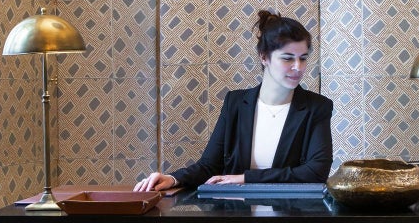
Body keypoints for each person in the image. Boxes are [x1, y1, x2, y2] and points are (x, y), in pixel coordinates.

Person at [134, 10, 333, 191]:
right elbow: (209, 166)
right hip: (236, 215)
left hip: (292, 218)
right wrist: (173, 178)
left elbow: (315, 173)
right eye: (288, 58)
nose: (298, 67)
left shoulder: (317, 107)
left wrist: (246, 178)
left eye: (303, 58)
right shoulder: (235, 103)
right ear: (264, 57)